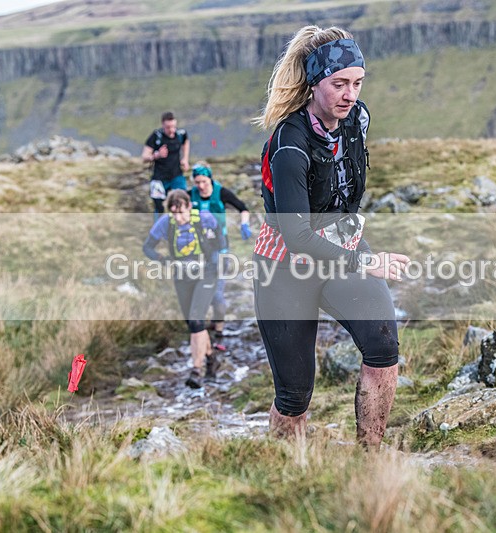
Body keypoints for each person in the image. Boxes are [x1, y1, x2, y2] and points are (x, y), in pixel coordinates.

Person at [252, 25, 410, 449]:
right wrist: (367, 261)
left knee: (382, 346)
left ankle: (370, 458)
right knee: (295, 396)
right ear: (313, 83)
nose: (350, 94)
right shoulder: (290, 144)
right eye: (339, 84)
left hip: (342, 244)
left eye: (357, 83)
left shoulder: (357, 119)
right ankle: (284, 475)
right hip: (286, 265)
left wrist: (356, 253)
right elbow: (298, 235)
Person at [142, 189, 225, 387]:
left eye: (181, 212)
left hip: (206, 273)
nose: (178, 217)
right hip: (182, 275)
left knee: (197, 318)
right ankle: (211, 357)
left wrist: (215, 264)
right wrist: (163, 260)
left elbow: (221, 242)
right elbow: (147, 248)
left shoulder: (204, 219)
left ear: (189, 206)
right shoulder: (166, 223)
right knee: (193, 323)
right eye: (174, 213)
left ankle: (196, 370)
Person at [189, 161, 253, 340]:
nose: (201, 186)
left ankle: (219, 332)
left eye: (204, 182)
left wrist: (244, 224)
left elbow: (243, 208)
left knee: (216, 291)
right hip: (197, 250)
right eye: (197, 182)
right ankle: (211, 322)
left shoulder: (221, 192)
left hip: (219, 248)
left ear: (210, 179)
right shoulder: (190, 195)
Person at [142, 111, 190, 219]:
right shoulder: (156, 137)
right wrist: (156, 155)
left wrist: (185, 159)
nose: (171, 130)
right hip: (159, 178)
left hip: (176, 175)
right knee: (159, 206)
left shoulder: (180, 134)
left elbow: (186, 142)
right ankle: (158, 230)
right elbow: (144, 157)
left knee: (182, 200)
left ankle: (183, 226)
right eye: (168, 127)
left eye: (173, 126)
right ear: (163, 124)